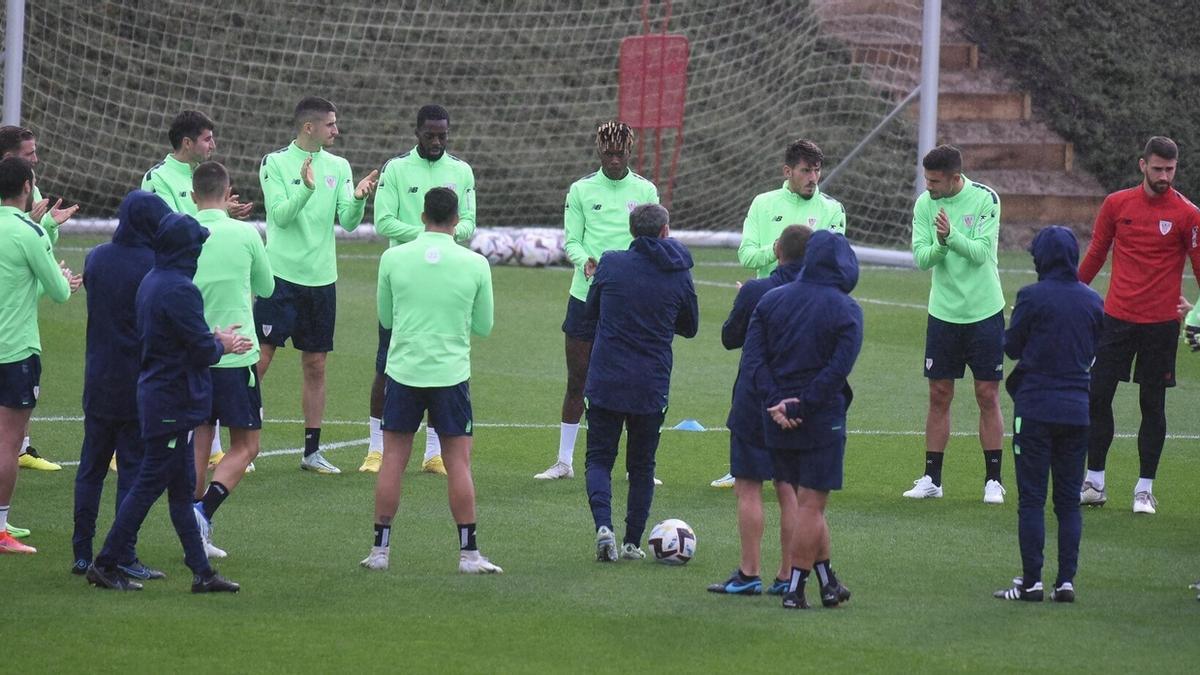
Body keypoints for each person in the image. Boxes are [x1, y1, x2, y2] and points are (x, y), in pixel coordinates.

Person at [85, 213, 248, 592]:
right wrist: (219, 343)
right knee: (147, 485)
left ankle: (202, 573)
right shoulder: (180, 289)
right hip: (172, 402)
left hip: (162, 397)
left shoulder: (155, 280)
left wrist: (209, 338)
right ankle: (106, 561)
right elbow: (201, 351)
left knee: (180, 490)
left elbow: (177, 336)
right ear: (187, 250)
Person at [360, 188, 499, 574]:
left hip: (403, 372)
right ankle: (469, 555)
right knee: (458, 463)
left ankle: (379, 552)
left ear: (422, 216)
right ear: (457, 220)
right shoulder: (475, 263)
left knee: (393, 460)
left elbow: (386, 319)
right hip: (451, 375)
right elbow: (485, 326)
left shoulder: (392, 258)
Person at [1077, 136, 1200, 514]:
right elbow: (1097, 251)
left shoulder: (1187, 214)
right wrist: (1067, 293)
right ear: (1142, 165)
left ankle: (1144, 489)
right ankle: (1094, 481)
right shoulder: (1117, 204)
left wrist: (1196, 311)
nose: (1164, 176)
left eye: (1171, 169)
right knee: (1097, 397)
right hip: (1115, 320)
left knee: (1153, 403)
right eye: (1158, 168)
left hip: (1160, 324)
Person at [255, 96, 378, 475]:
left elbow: (349, 221)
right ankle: (242, 445)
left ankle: (311, 452)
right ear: (309, 127)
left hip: (322, 280)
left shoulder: (338, 166)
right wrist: (306, 189)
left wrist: (357, 199)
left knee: (316, 365)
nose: (336, 130)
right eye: (330, 125)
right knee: (258, 360)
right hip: (279, 277)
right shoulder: (274, 163)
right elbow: (280, 216)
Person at [536, 121, 660, 481]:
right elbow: (570, 241)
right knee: (578, 378)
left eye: (620, 153)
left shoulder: (646, 190)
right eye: (608, 153)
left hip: (630, 300)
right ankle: (564, 462)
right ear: (598, 150)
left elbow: (651, 241)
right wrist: (584, 261)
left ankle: (639, 467)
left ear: (630, 150)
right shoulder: (581, 190)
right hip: (585, 296)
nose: (615, 159)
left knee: (634, 380)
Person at [745, 230, 861, 610]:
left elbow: (755, 362)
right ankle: (795, 589)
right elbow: (835, 371)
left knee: (799, 500)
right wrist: (801, 405)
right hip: (819, 418)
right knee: (812, 505)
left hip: (775, 420)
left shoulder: (770, 301)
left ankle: (828, 582)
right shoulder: (846, 309)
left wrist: (777, 403)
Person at [359, 104, 476, 476]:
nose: (437, 141)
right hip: (407, 283)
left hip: (447, 285)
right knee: (386, 365)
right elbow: (383, 221)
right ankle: (375, 449)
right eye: (431, 135)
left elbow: (470, 223)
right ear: (417, 133)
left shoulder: (461, 171)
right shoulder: (396, 169)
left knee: (443, 368)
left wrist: (444, 234)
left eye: (443, 135)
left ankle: (434, 453)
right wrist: (427, 236)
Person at [993, 226, 1103, 603]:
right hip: (1077, 410)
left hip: (1036, 408)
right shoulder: (1092, 301)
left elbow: (1010, 347)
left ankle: (1032, 581)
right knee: (1069, 501)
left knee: (1032, 499)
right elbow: (1094, 348)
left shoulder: (1032, 297)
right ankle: (1066, 581)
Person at [582, 204, 698, 561]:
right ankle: (632, 542)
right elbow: (690, 327)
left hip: (606, 378)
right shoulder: (679, 272)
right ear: (666, 230)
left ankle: (605, 526)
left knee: (599, 459)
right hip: (651, 382)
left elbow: (590, 313)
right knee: (642, 466)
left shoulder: (611, 263)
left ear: (632, 232)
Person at [72, 190, 172, 578]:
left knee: (91, 467)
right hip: (137, 383)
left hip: (98, 376)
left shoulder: (96, 258)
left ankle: (81, 553)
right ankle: (122, 554)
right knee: (131, 469)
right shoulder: (153, 265)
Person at [143, 110, 252, 467]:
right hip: (175, 283)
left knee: (209, 352)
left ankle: (210, 444)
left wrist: (220, 213)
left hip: (198, 277)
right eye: (207, 138)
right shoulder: (158, 178)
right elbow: (164, 231)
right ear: (187, 142)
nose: (213, 144)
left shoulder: (199, 178)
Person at [707, 224, 810, 596]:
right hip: (799, 402)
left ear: (777, 250)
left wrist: (745, 302)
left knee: (749, 487)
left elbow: (729, 338)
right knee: (790, 490)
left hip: (755, 399)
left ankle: (749, 573)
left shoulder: (757, 290)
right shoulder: (824, 295)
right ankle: (787, 576)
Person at [904, 145, 1007, 504]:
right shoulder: (924, 205)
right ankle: (932, 478)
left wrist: (951, 237)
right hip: (944, 313)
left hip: (984, 312)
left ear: (954, 178)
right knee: (939, 395)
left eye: (934, 181)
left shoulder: (985, 199)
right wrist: (943, 246)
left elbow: (981, 253)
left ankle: (993, 480)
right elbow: (921, 258)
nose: (929, 187)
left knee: (987, 394)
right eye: (926, 180)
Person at [189, 161, 274, 559]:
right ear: (228, 195)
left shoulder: (181, 230)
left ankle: (194, 528)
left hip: (194, 353)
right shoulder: (245, 233)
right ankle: (202, 513)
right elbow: (267, 286)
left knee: (199, 440)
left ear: (193, 196)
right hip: (236, 358)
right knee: (246, 446)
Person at [0, 157, 79, 554]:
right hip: (15, 350)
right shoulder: (27, 232)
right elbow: (60, 292)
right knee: (8, 441)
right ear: (28, 188)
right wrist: (63, 279)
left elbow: (21, 290)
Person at [737, 139, 845, 280]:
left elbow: (831, 262)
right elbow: (746, 257)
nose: (813, 178)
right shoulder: (762, 203)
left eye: (816, 170)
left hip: (808, 299)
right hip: (768, 297)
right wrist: (775, 249)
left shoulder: (833, 209)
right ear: (788, 172)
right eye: (806, 170)